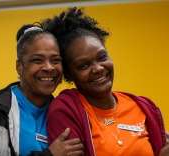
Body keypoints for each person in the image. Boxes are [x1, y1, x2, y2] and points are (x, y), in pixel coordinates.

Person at [42, 7, 169, 156]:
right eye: (84, 65)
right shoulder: (65, 110)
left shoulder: (142, 107)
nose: (98, 68)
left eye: (102, 57)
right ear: (69, 74)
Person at [0, 24, 84, 156]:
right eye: (37, 60)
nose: (49, 68)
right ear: (19, 67)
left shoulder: (63, 111)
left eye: (55, 60)